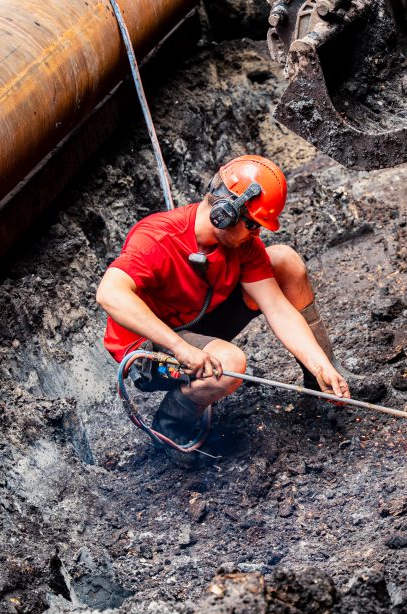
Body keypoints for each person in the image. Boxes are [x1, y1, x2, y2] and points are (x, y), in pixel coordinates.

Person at [96, 155, 353, 451]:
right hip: (149, 344)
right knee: (230, 363)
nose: (256, 235)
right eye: (253, 225)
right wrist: (181, 348)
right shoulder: (156, 237)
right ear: (226, 212)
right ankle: (169, 428)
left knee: (284, 262)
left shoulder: (243, 245)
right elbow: (109, 293)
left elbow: (278, 307)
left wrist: (320, 364)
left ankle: (323, 384)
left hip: (197, 320)